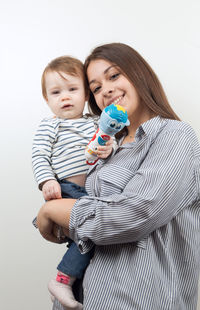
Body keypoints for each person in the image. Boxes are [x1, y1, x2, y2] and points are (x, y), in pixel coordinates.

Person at [36, 43, 200, 310]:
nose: (106, 90)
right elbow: (79, 229)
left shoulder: (174, 136)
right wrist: (53, 212)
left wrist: (51, 210)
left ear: (139, 74)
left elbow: (134, 215)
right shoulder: (107, 148)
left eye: (113, 76)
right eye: (96, 88)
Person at [32, 55, 114, 309]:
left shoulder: (95, 123)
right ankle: (63, 279)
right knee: (91, 233)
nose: (65, 97)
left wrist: (109, 149)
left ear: (87, 95)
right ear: (47, 100)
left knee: (87, 241)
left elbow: (108, 144)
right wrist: (46, 180)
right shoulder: (51, 126)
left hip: (92, 191)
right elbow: (39, 156)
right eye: (56, 92)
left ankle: (67, 282)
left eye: (72, 89)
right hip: (66, 188)